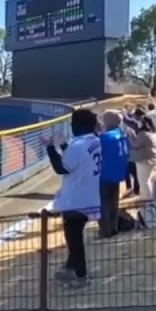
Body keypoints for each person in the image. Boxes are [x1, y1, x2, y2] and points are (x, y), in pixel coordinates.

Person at [42, 109, 101, 288]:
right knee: (75, 237)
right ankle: (69, 269)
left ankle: (81, 276)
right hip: (90, 196)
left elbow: (62, 167)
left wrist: (50, 147)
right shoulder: (95, 141)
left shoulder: (78, 144)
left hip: (75, 199)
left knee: (74, 240)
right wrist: (63, 145)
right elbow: (78, 160)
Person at [97, 111, 130, 238]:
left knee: (103, 204)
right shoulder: (123, 135)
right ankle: (113, 227)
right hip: (117, 173)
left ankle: (105, 231)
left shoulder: (105, 138)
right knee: (113, 203)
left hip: (104, 174)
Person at [130, 117, 156, 199]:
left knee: (144, 181)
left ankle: (148, 199)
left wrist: (131, 136)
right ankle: (154, 198)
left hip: (146, 161)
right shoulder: (153, 133)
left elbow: (135, 145)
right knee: (154, 181)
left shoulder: (143, 134)